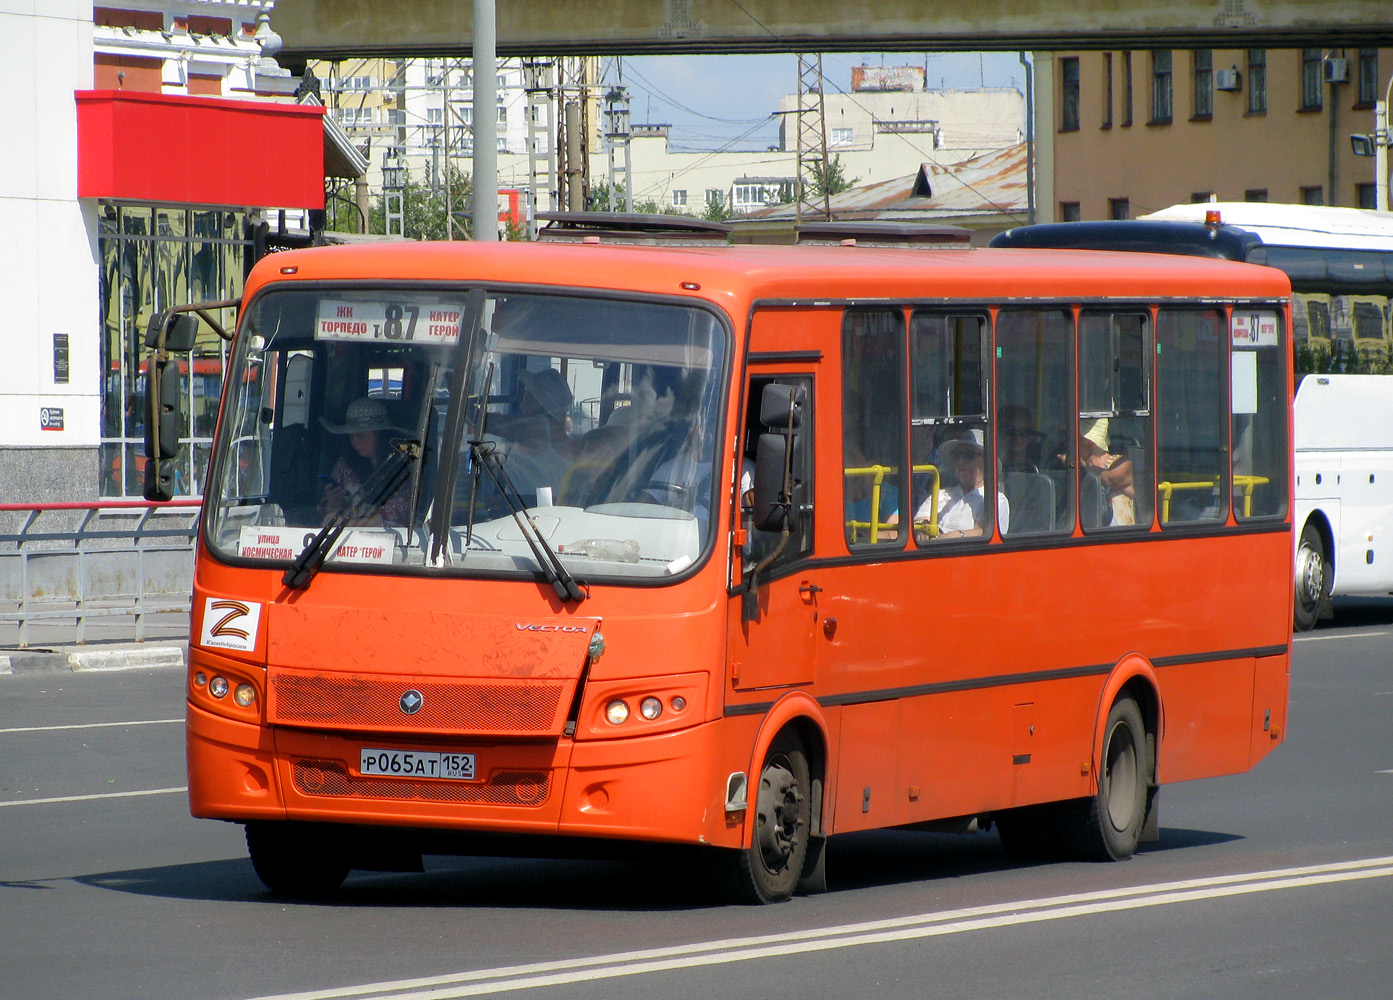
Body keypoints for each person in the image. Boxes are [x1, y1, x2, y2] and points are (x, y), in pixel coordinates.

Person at [487, 366, 577, 507]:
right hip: (532, 508)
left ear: (540, 402)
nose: (522, 405)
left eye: (528, 395)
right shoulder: (554, 431)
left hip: (535, 511)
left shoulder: (536, 428)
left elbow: (485, 421)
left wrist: (456, 390)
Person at [318, 398, 411, 526]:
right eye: (351, 436)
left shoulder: (403, 465)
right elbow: (329, 513)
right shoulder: (345, 465)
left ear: (379, 434)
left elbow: (399, 511)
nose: (355, 442)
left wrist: (346, 524)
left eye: (361, 436)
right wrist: (334, 501)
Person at [916, 428, 1010, 540]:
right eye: (957, 455)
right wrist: (923, 528)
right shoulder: (940, 494)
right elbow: (920, 520)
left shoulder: (996, 499)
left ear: (987, 461)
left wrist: (952, 536)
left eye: (969, 455)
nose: (960, 461)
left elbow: (985, 533)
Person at [1079, 417, 1135, 526]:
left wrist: (1077, 465)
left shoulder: (1121, 463)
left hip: (1121, 534)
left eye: (1077, 441)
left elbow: (1107, 479)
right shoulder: (1082, 467)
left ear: (1087, 443)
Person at [844, 440, 899, 541]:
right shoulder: (835, 492)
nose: (846, 462)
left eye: (852, 456)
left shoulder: (888, 494)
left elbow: (894, 534)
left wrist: (861, 536)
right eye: (843, 455)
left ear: (871, 461)